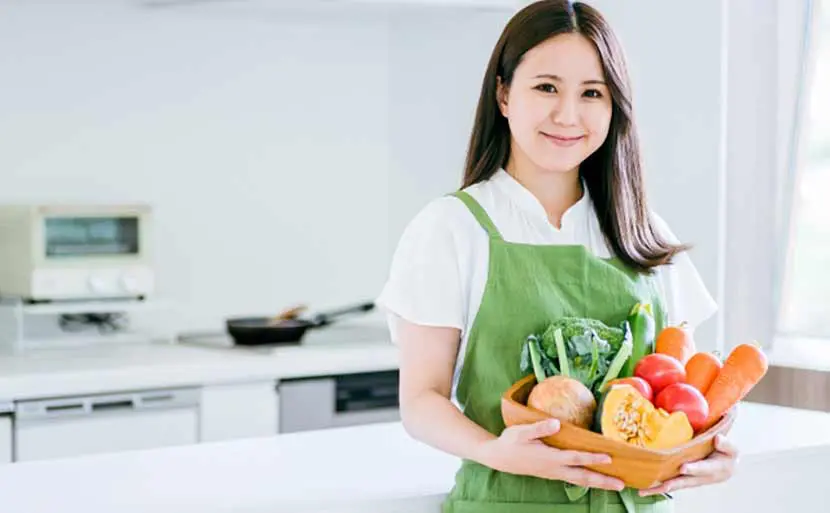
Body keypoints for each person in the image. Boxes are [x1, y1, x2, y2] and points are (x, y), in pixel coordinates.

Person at [376, 1, 739, 511]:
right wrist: (496, 451)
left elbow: (681, 392)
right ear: (504, 94)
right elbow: (420, 401)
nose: (568, 115)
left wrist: (708, 450)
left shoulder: (643, 229)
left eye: (592, 93)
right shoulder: (451, 228)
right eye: (546, 87)